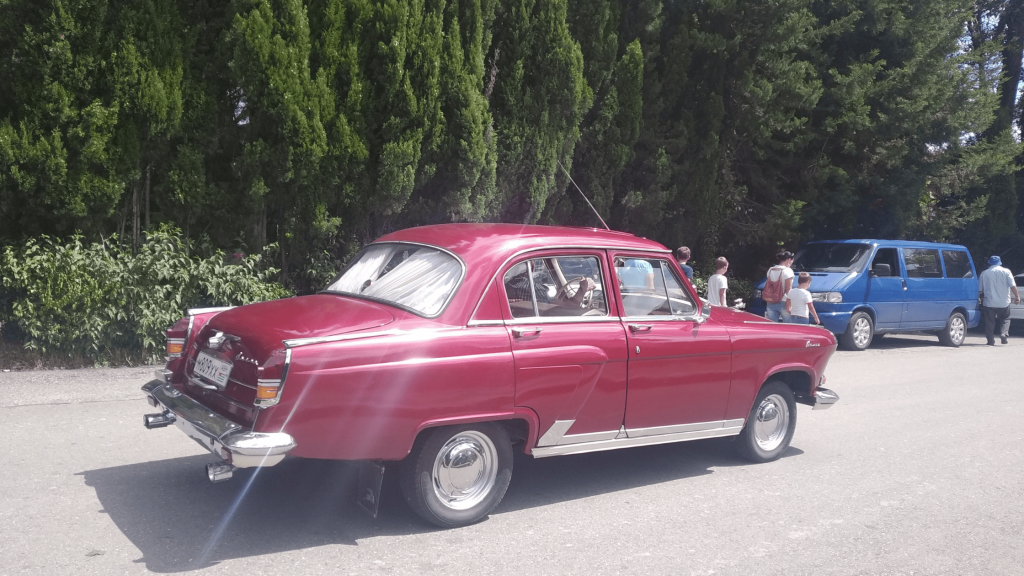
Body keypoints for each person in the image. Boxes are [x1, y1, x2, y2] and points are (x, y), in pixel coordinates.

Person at [978, 255, 1021, 345]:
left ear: (989, 263)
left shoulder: (984, 273)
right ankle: (1004, 334)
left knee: (989, 321)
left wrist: (978, 299)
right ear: (1000, 262)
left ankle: (990, 341)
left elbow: (980, 290)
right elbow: (1013, 286)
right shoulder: (1006, 272)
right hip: (1003, 302)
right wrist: (1017, 297)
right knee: (1005, 319)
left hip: (989, 302)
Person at [762, 250, 794, 322]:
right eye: (792, 260)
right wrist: (790, 304)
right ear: (789, 259)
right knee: (788, 326)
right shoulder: (788, 271)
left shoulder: (770, 269)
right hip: (784, 301)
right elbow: (789, 290)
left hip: (770, 301)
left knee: (772, 326)